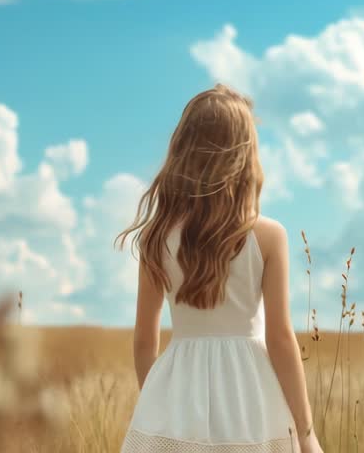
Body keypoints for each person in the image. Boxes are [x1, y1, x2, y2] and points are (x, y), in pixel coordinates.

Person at [115, 84, 322, 453]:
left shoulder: (156, 236)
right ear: (245, 154)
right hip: (252, 397)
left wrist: (157, 405)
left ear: (182, 149)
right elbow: (280, 339)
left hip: (177, 390)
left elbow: (145, 340)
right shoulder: (269, 236)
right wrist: (306, 434)